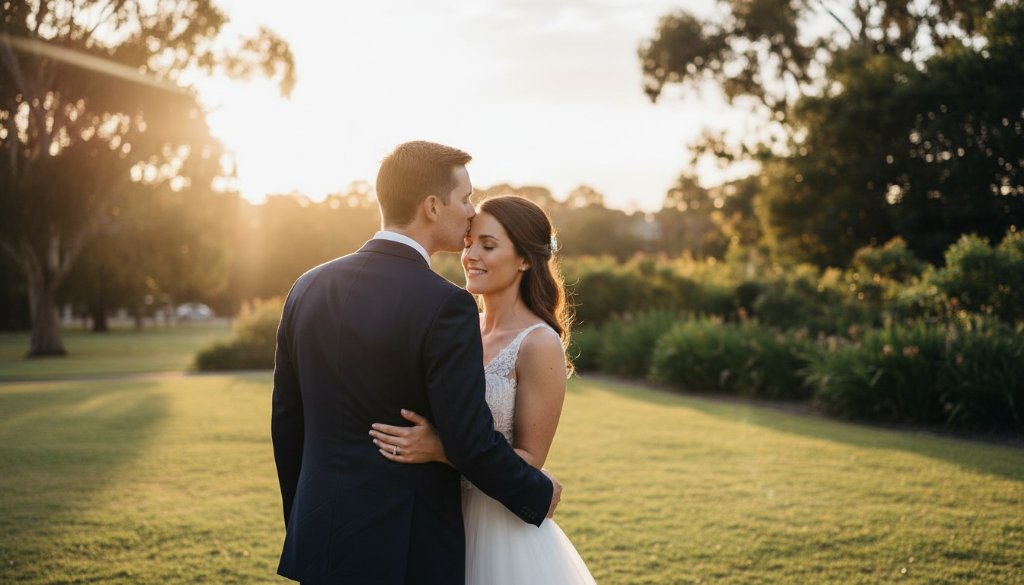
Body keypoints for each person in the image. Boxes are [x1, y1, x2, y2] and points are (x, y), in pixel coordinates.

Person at [271, 142, 561, 584]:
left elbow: (287, 424)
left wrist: (304, 522)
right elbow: (468, 440)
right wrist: (538, 492)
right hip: (405, 548)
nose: (470, 212)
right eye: (465, 198)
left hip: (319, 539)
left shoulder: (307, 287)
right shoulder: (446, 305)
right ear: (432, 206)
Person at [369, 196, 596, 584]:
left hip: (498, 527)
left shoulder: (538, 343)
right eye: (469, 242)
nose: (470, 255)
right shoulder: (457, 327)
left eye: (488, 246)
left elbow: (530, 461)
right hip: (435, 515)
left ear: (524, 259)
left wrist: (441, 449)